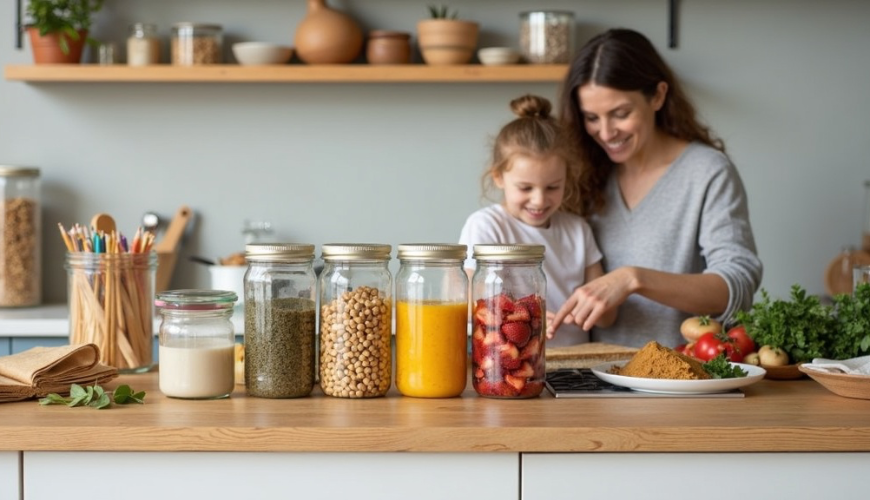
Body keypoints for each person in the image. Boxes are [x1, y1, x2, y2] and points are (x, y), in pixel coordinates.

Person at [548, 28, 763, 349]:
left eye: (620, 114)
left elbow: (737, 285)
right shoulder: (583, 174)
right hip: (596, 381)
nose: (605, 132)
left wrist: (633, 279)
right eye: (591, 117)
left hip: (686, 379)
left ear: (658, 96)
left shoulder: (707, 171)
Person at [459, 94, 616, 347]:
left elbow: (607, 318)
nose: (539, 200)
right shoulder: (487, 226)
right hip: (509, 364)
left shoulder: (578, 230)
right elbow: (467, 305)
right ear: (499, 177)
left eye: (553, 187)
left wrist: (593, 309)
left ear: (567, 178)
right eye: (525, 188)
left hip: (576, 365)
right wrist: (526, 316)